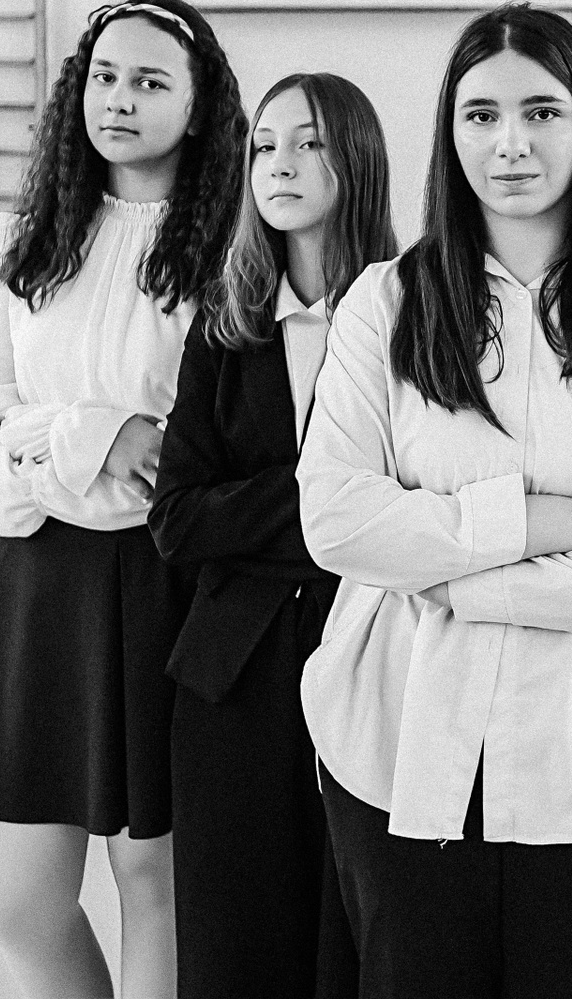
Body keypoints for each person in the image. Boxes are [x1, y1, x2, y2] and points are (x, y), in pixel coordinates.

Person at [295, 3, 572, 998]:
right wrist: (550, 520)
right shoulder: (384, 303)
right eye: (481, 115)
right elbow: (337, 519)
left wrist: (456, 582)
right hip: (397, 740)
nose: (511, 142)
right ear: (450, 134)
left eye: (541, 111)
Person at [0, 0, 244, 999]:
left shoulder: (232, 246)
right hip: (36, 580)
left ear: (197, 107)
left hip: (170, 578)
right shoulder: (27, 240)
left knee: (156, 880)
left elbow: (198, 447)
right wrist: (97, 434)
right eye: (105, 76)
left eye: (150, 82)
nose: (119, 99)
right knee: (17, 898)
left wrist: (83, 444)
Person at [148, 72, 396, 997]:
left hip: (374, 655)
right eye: (265, 146)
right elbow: (178, 519)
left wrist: (274, 513)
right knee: (234, 951)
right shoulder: (224, 323)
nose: (280, 165)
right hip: (235, 676)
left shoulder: (414, 315)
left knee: (359, 941)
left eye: (308, 143)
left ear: (356, 160)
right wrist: (330, 498)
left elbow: (423, 506)